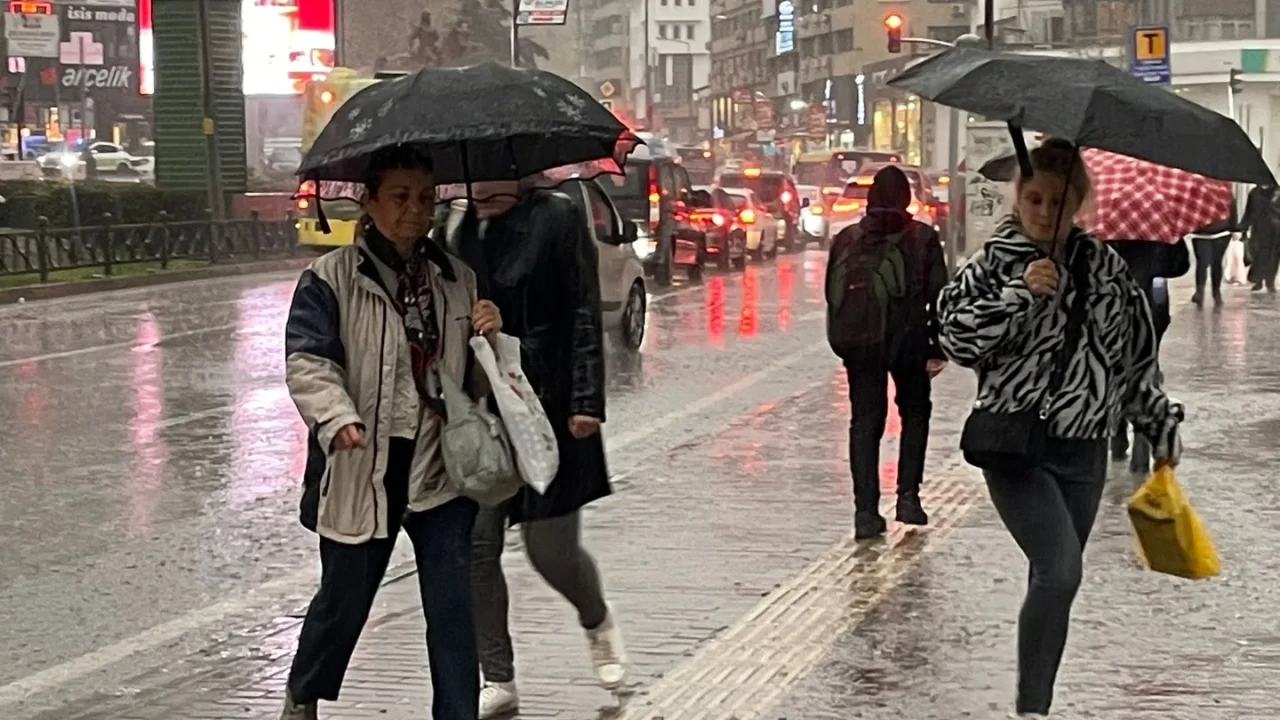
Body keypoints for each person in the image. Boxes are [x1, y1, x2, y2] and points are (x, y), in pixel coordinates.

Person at [936, 139, 1183, 719]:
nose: (1045, 213)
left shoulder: (1106, 269)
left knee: (1053, 578)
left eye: (1059, 202)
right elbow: (954, 338)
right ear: (1017, 199)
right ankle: (1032, 709)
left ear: (1078, 205)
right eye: (1035, 199)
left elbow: (1134, 361)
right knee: (1061, 569)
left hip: (1084, 450)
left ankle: (1035, 699)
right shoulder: (993, 263)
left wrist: (1159, 426)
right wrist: (1019, 294)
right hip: (1015, 445)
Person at [280, 147, 502, 720]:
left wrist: (491, 337)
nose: (415, 210)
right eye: (400, 197)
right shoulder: (330, 278)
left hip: (440, 467)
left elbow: (480, 383)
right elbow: (308, 362)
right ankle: (303, 694)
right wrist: (337, 417)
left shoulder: (457, 278)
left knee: (452, 609)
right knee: (343, 603)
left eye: (426, 198)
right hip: (363, 467)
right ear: (369, 202)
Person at [441, 181, 624, 719]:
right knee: (478, 548)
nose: (482, 189)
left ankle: (595, 616)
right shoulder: (451, 224)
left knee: (550, 551)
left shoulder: (558, 217)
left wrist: (586, 400)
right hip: (484, 416)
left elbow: (582, 311)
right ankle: (497, 676)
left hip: (549, 406)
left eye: (495, 178)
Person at [824, 165, 949, 540]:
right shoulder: (922, 237)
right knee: (915, 413)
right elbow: (939, 295)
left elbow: (832, 294)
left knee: (865, 422)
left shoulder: (847, 238)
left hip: (860, 343)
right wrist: (937, 346)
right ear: (906, 198)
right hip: (909, 342)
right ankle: (908, 498)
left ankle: (865, 512)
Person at [1105, 239, 1190, 472]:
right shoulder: (1159, 232)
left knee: (1117, 375)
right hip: (1150, 314)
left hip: (1115, 315)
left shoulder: (1105, 234)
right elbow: (1180, 266)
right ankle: (1140, 457)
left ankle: (1118, 439)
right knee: (1145, 379)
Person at [1188, 200, 1238, 306]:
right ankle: (1200, 292)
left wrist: (1234, 229)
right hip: (1201, 234)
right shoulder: (1196, 194)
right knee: (1203, 262)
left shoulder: (1224, 193)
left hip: (1220, 233)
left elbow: (1232, 209)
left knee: (1215, 262)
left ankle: (1215, 292)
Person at [1242, 183, 1280, 293]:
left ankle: (1270, 281)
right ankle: (1258, 280)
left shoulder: (1277, 192)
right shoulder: (1254, 192)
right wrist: (1243, 227)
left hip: (1275, 229)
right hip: (1258, 228)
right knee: (1257, 253)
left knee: (1273, 255)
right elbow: (1249, 211)